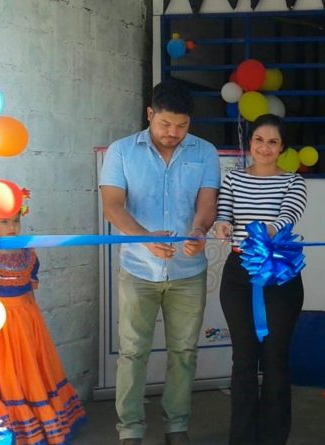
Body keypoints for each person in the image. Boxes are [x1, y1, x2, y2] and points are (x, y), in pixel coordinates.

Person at [99, 79, 220, 445]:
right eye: (166, 124)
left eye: (182, 126)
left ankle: (176, 427)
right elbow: (112, 205)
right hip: (138, 270)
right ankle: (131, 430)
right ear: (150, 114)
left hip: (188, 271)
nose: (173, 133)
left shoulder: (205, 152)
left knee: (184, 351)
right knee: (133, 352)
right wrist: (144, 238)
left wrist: (200, 230)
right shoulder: (121, 152)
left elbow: (207, 203)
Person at [213, 114, 307, 445]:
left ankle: (273, 437)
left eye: (273, 141)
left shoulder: (294, 181)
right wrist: (222, 226)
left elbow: (287, 215)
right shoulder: (233, 180)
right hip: (239, 275)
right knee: (243, 358)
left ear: (282, 147)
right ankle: (241, 437)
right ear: (250, 143)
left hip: (280, 273)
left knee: (275, 358)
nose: (264, 147)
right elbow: (223, 214)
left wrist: (265, 231)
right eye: (259, 140)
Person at [0, 208, 87, 445]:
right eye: (4, 222)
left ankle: (43, 421)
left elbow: (30, 292)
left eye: (16, 221)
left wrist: (33, 326)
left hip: (28, 322)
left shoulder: (28, 253)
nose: (12, 227)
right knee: (7, 372)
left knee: (31, 370)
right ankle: (13, 423)